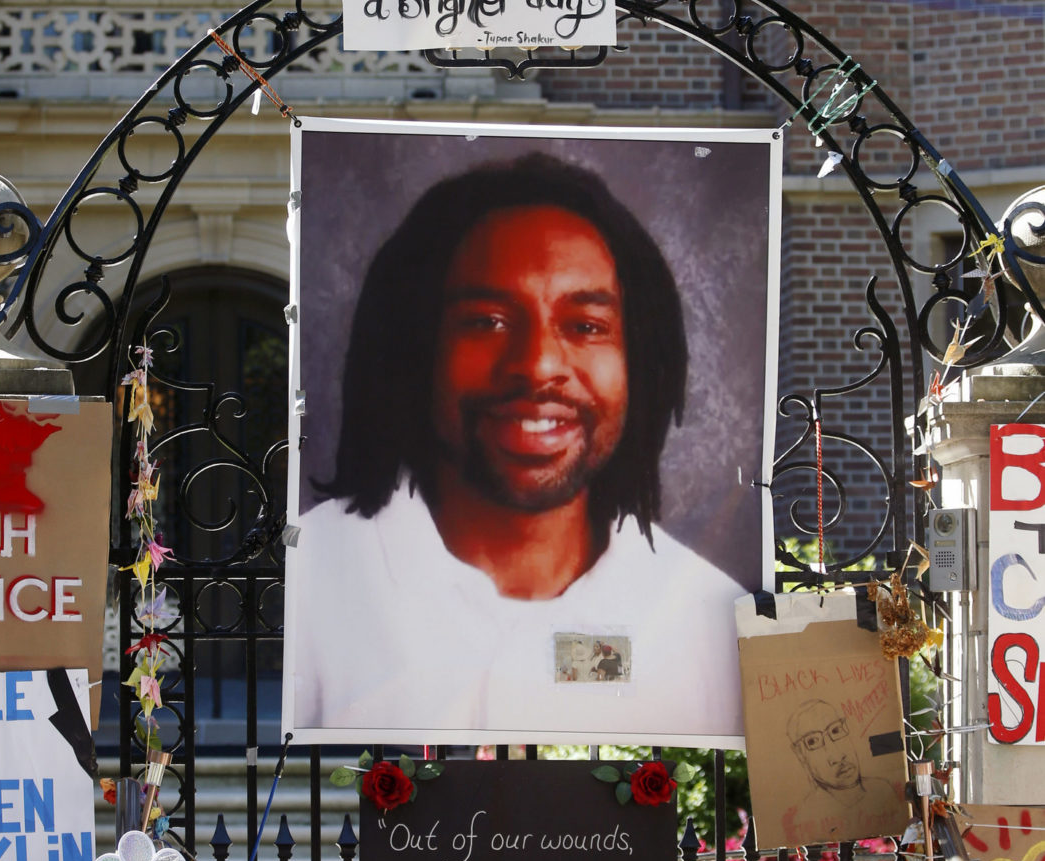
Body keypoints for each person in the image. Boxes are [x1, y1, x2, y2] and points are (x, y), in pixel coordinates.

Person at [286, 152, 750, 742]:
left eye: (585, 326)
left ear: (639, 362)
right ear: (417, 347)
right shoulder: (309, 582)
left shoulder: (704, 615)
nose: (537, 366)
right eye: (488, 321)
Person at [780, 699, 906, 845]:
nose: (837, 756)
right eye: (813, 741)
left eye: (836, 730)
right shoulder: (803, 817)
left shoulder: (884, 790)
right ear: (800, 754)